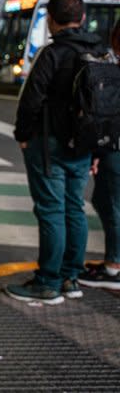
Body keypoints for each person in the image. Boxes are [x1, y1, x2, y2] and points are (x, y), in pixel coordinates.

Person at [7, 0, 101, 304]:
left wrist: (23, 134)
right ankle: (70, 278)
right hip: (85, 145)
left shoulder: (53, 53)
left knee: (51, 211)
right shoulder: (100, 52)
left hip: (49, 144)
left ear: (50, 20)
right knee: (74, 207)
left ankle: (46, 282)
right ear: (83, 18)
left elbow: (31, 99)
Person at [79, 20, 120, 290]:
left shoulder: (114, 66)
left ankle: (114, 266)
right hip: (112, 145)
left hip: (115, 147)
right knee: (106, 201)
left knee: (111, 203)